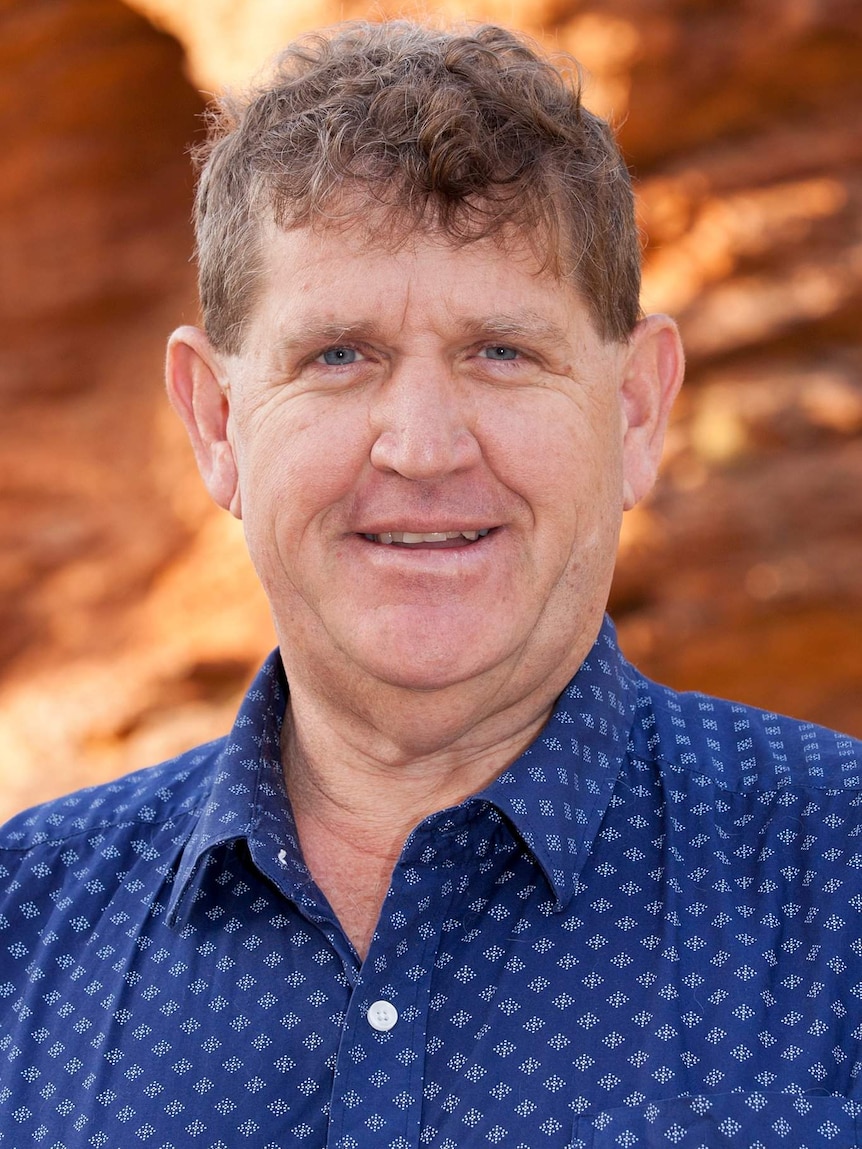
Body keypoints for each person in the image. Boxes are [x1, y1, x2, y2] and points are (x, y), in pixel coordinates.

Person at [2, 20, 860, 1149]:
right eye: (338, 356)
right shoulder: (25, 925)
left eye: (501, 352)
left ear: (637, 410)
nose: (420, 446)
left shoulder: (838, 876)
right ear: (216, 422)